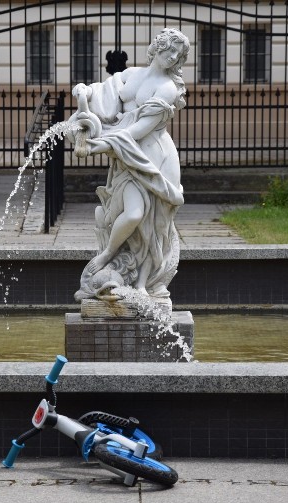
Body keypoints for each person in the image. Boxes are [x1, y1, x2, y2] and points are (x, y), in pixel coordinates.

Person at [69, 28, 189, 302]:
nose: (171, 57)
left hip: (153, 158)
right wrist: (85, 92)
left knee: (151, 224)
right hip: (126, 156)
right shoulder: (133, 74)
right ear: (157, 47)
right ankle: (113, 261)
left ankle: (141, 283)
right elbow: (106, 95)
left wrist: (99, 146)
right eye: (168, 49)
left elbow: (138, 131)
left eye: (177, 55)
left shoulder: (167, 88)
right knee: (134, 217)